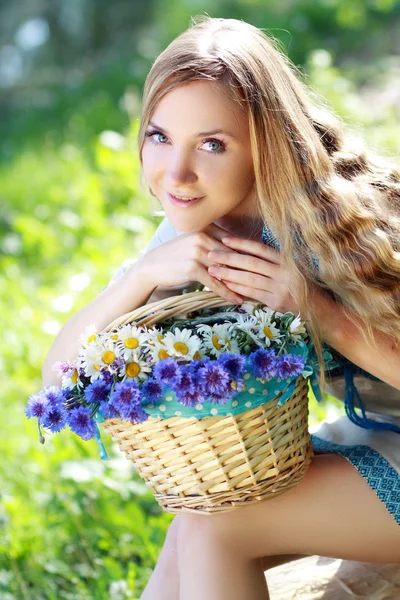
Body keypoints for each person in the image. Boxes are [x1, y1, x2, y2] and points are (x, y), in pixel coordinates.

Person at [42, 15, 400, 600]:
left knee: (216, 531)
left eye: (212, 144)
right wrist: (141, 278)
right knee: (198, 522)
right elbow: (59, 380)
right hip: (374, 435)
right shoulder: (199, 232)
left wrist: (315, 308)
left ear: (266, 145)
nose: (176, 173)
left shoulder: (345, 224)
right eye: (160, 137)